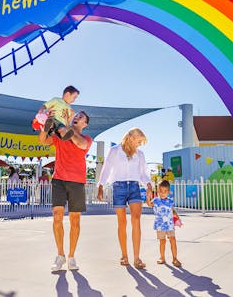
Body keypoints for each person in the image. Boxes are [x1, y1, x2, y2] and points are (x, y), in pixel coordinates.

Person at [38, 110, 92, 272]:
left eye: (80, 117)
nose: (77, 117)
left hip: (77, 181)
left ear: (85, 124)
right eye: (76, 115)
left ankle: (71, 257)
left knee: (75, 220)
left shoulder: (87, 139)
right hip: (59, 179)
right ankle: (60, 255)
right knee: (57, 217)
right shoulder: (60, 135)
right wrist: (45, 127)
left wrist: (65, 126)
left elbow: (79, 143)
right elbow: (43, 141)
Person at [97, 128, 153, 269]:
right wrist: (101, 186)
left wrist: (148, 185)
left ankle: (137, 257)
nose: (139, 144)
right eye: (139, 141)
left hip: (134, 187)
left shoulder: (139, 154)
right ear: (131, 137)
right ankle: (124, 255)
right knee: (122, 223)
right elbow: (107, 168)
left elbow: (143, 172)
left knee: (136, 220)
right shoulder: (115, 150)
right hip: (119, 187)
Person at [146, 180, 182, 267]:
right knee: (162, 241)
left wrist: (177, 217)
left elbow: (172, 210)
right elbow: (149, 204)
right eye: (161, 191)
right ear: (158, 191)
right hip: (160, 225)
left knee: (173, 240)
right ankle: (162, 257)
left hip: (169, 225)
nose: (163, 193)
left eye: (165, 191)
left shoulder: (170, 201)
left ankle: (175, 258)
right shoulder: (156, 200)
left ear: (168, 192)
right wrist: (148, 196)